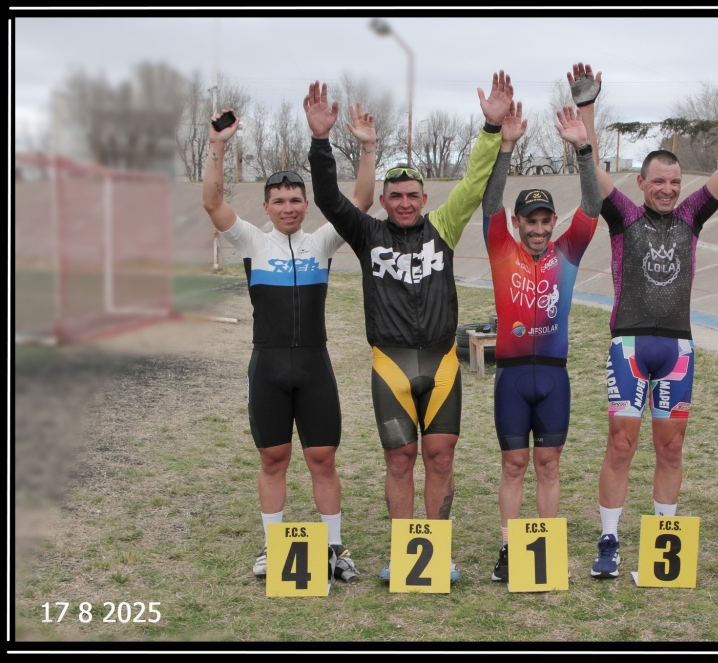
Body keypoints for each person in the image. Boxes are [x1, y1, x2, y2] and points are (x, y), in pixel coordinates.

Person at [305, 72, 514, 582]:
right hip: (390, 363)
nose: (403, 202)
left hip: (442, 361)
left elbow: (472, 183)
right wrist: (320, 141)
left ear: (423, 198)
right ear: (384, 199)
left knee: (439, 457)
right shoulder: (366, 231)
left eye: (411, 195)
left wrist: (490, 128)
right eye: (394, 194)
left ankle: (436, 551)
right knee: (400, 459)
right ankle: (405, 553)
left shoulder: (442, 227)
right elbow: (330, 199)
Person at [571, 62, 718, 579]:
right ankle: (609, 540)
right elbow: (593, 172)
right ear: (642, 182)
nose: (668, 189)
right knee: (621, 444)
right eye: (659, 181)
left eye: (675, 182)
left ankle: (663, 540)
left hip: (677, 349)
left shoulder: (691, 216)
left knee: (672, 447)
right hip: (630, 345)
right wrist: (587, 106)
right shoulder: (623, 215)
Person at [202, 104, 376, 583]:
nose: (288, 208)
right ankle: (271, 547)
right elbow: (214, 204)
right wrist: (217, 147)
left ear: (306, 204)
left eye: (295, 200)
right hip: (269, 368)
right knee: (273, 459)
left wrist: (366, 148)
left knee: (323, 459)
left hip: (315, 366)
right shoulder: (253, 243)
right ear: (266, 207)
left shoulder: (321, 241)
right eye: (279, 201)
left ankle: (336, 549)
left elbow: (361, 202)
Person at [480, 102, 602, 582]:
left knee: (549, 465)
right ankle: (511, 550)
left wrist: (583, 150)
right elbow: (490, 201)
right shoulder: (500, 246)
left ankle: (544, 549)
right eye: (529, 220)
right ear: (517, 224)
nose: (537, 229)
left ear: (554, 223)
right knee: (513, 465)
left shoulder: (568, 251)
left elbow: (592, 205)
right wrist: (505, 147)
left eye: (544, 220)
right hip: (511, 376)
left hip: (554, 376)